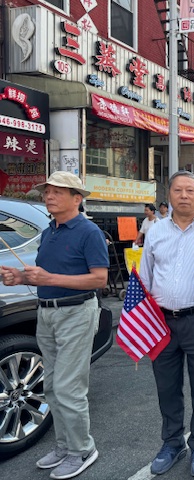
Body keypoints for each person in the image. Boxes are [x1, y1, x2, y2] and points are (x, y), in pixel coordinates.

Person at [1, 171, 109, 479]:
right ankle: (65, 446)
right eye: (47, 191)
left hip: (76, 313)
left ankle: (82, 449)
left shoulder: (89, 232)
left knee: (68, 386)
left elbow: (99, 279)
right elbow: (42, 274)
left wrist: (48, 278)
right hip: (46, 313)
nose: (49, 196)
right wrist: (19, 277)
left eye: (57, 192)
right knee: (50, 385)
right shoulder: (49, 231)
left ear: (77, 198)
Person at [140, 171, 194, 477]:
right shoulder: (156, 231)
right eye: (178, 190)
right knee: (166, 385)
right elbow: (145, 277)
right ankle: (172, 442)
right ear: (169, 195)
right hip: (161, 321)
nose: (184, 196)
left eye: (191, 190)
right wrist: (143, 319)